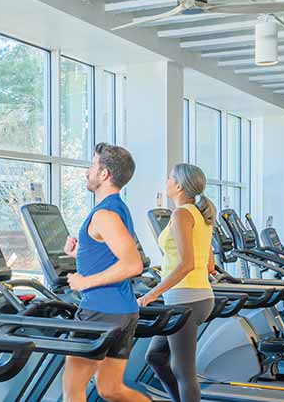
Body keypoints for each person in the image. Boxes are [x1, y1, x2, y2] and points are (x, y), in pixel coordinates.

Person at [62, 142, 149, 402]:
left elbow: (133, 264)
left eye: (92, 165)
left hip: (100, 311)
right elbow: (112, 252)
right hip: (122, 311)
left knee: (72, 389)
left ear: (104, 174)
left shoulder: (105, 214)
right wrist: (81, 253)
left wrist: (85, 282)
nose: (87, 172)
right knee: (110, 389)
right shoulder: (117, 208)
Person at [137, 164, 217, 402]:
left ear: (180, 185)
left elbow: (186, 264)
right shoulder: (200, 214)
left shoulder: (181, 214)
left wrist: (151, 294)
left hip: (186, 298)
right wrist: (167, 270)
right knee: (155, 356)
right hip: (196, 295)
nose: (167, 181)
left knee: (184, 371)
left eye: (170, 177)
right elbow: (209, 264)